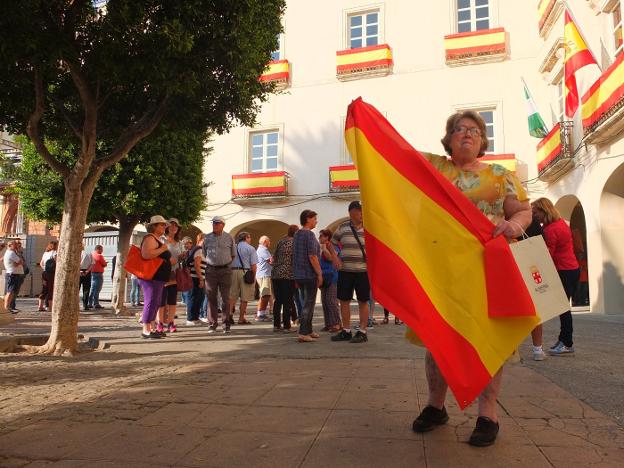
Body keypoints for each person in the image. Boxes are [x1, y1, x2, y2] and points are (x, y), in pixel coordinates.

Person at [411, 111, 532, 447]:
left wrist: (514, 225)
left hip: (486, 270)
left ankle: (487, 414)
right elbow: (392, 154)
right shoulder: (434, 168)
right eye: (459, 129)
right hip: (441, 271)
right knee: (438, 338)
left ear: (482, 141)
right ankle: (436, 407)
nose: (467, 134)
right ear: (448, 138)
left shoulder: (499, 175)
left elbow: (523, 210)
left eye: (475, 131)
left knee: (489, 339)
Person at [531, 197, 580, 356]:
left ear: (544, 211)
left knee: (563, 308)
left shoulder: (551, 229)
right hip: (572, 269)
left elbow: (548, 256)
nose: (534, 215)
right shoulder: (560, 224)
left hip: (564, 270)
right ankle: (563, 340)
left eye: (535, 212)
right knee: (564, 307)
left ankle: (567, 343)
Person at [330, 200, 370, 344]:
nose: (362, 214)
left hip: (363, 271)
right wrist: (334, 258)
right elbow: (332, 243)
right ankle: (346, 331)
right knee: (344, 300)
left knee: (363, 301)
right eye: (359, 211)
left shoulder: (369, 228)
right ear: (351, 212)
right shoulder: (342, 228)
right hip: (345, 270)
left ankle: (362, 331)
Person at [139, 216, 173, 339]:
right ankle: (146, 329)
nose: (165, 227)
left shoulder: (157, 239)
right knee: (151, 302)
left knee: (155, 302)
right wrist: (163, 249)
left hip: (157, 278)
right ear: (154, 226)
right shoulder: (150, 238)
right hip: (151, 277)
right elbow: (146, 254)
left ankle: (152, 328)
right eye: (162, 225)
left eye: (165, 225)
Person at [292, 209, 322, 343]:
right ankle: (303, 333)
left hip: (299, 274)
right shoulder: (309, 235)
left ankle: (308, 330)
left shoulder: (297, 234)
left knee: (306, 302)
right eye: (315, 218)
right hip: (309, 274)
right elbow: (313, 256)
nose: (316, 221)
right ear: (308, 219)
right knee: (308, 304)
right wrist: (319, 273)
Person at [202, 216, 236, 333]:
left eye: (217, 223)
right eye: (213, 223)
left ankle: (226, 324)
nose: (214, 225)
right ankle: (212, 323)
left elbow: (233, 255)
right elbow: (204, 253)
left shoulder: (229, 237)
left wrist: (224, 263)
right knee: (211, 297)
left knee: (225, 298)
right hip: (211, 270)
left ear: (223, 225)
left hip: (225, 270)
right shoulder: (207, 238)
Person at [156, 218, 183, 333]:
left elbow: (179, 258)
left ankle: (171, 323)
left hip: (175, 274)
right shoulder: (161, 240)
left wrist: (183, 256)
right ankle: (160, 323)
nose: (174, 227)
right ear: (167, 227)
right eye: (171, 225)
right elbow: (157, 255)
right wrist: (167, 259)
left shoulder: (179, 243)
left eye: (176, 226)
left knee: (172, 300)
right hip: (162, 274)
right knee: (161, 301)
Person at [271, 224, 298, 332]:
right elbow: (295, 260)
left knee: (278, 301)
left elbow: (274, 256)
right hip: (287, 275)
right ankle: (287, 326)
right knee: (287, 301)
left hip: (276, 274)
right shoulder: (294, 243)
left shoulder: (280, 241)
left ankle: (276, 325)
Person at [229, 231, 257, 327]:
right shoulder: (251, 248)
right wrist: (254, 276)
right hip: (245, 272)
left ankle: (229, 315)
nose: (250, 239)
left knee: (232, 295)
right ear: (246, 238)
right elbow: (253, 265)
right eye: (249, 237)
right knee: (245, 297)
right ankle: (241, 318)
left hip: (233, 271)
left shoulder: (233, 247)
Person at [318, 229, 341, 332]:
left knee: (331, 301)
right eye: (319, 236)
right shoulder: (320, 247)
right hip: (323, 277)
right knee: (325, 301)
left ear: (327, 237)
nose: (320, 238)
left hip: (332, 277)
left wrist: (324, 249)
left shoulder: (333, 246)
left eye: (321, 236)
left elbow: (331, 258)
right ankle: (328, 324)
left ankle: (336, 324)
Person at [185, 233, 206, 325]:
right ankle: (190, 319)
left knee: (199, 298)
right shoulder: (199, 250)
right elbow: (197, 265)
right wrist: (201, 279)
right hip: (196, 278)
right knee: (193, 297)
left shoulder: (200, 250)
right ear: (201, 240)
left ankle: (195, 317)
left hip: (198, 277)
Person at [255, 235, 273, 322]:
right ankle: (261, 314)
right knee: (265, 295)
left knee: (264, 295)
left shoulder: (261, 249)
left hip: (263, 274)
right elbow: (270, 261)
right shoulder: (263, 250)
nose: (270, 243)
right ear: (265, 241)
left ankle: (260, 313)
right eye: (269, 241)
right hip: (264, 275)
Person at [3, 240, 24, 314]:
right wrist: (18, 263)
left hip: (13, 274)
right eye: (15, 244)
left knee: (11, 292)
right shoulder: (11, 253)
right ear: (10, 246)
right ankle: (7, 308)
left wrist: (17, 263)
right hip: (13, 274)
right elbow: (21, 261)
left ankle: (8, 307)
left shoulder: (12, 252)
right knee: (10, 292)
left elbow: (20, 262)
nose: (16, 246)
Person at [38, 241, 58, 311]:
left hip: (44, 273)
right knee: (51, 290)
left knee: (44, 289)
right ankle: (50, 307)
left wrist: (45, 268)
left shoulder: (45, 253)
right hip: (51, 274)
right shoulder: (55, 253)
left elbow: (41, 263)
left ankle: (40, 306)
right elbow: (57, 262)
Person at [87, 245, 107, 309]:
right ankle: (96, 303)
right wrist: (105, 263)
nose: (102, 251)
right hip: (98, 274)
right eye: (101, 249)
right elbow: (104, 264)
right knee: (97, 289)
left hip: (92, 273)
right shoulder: (99, 256)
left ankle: (89, 303)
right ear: (98, 249)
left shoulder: (91, 255)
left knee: (92, 289)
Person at [180, 236, 194, 305]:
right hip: (183, 274)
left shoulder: (192, 251)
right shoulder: (183, 253)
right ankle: (187, 305)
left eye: (189, 243)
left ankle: (188, 306)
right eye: (185, 243)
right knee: (186, 292)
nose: (187, 245)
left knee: (189, 292)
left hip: (190, 275)